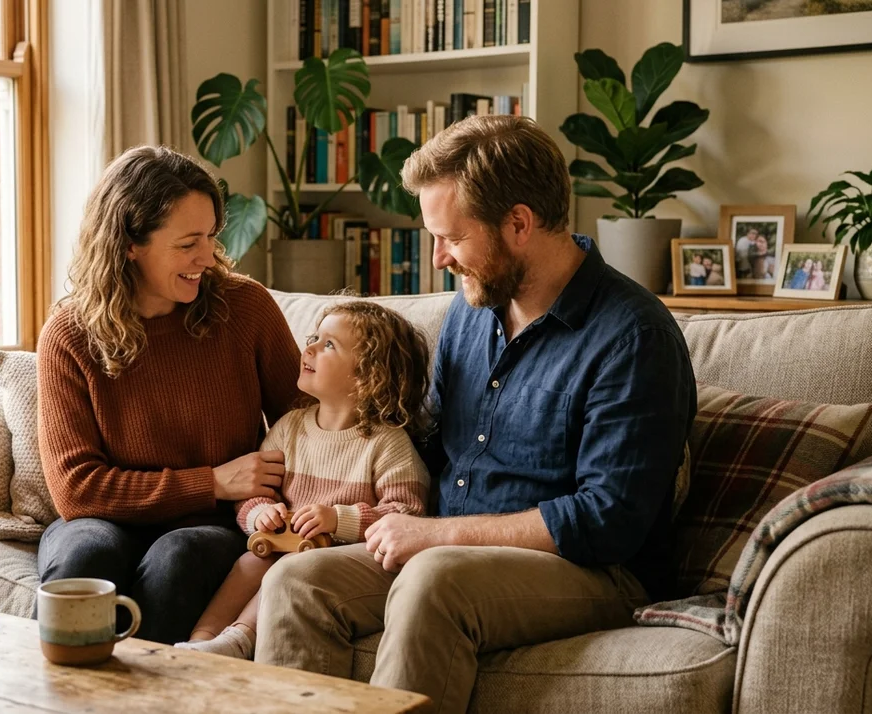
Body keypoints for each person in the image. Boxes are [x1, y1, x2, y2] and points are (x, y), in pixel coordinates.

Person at [255, 115, 696, 712]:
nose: (439, 258)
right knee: (295, 581)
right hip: (446, 549)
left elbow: (608, 519)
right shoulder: (472, 311)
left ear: (519, 222)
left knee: (433, 581)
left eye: (453, 238)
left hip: (589, 570)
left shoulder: (632, 336)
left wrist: (437, 535)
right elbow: (431, 447)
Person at [35, 146, 302, 644]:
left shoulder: (245, 309)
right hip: (104, 522)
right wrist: (212, 482)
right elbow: (76, 489)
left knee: (177, 557)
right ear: (130, 243)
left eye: (210, 237)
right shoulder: (70, 334)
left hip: (214, 528)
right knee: (83, 557)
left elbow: (311, 427)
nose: (208, 257)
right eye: (187, 244)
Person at [174, 302, 431, 659]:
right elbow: (254, 493)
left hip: (333, 561)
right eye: (314, 337)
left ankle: (238, 639)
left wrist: (338, 519)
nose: (307, 347)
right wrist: (259, 515)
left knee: (288, 570)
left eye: (329, 345)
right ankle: (200, 640)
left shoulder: (387, 443)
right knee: (250, 563)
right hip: (280, 542)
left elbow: (406, 514)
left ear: (366, 375)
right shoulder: (290, 428)